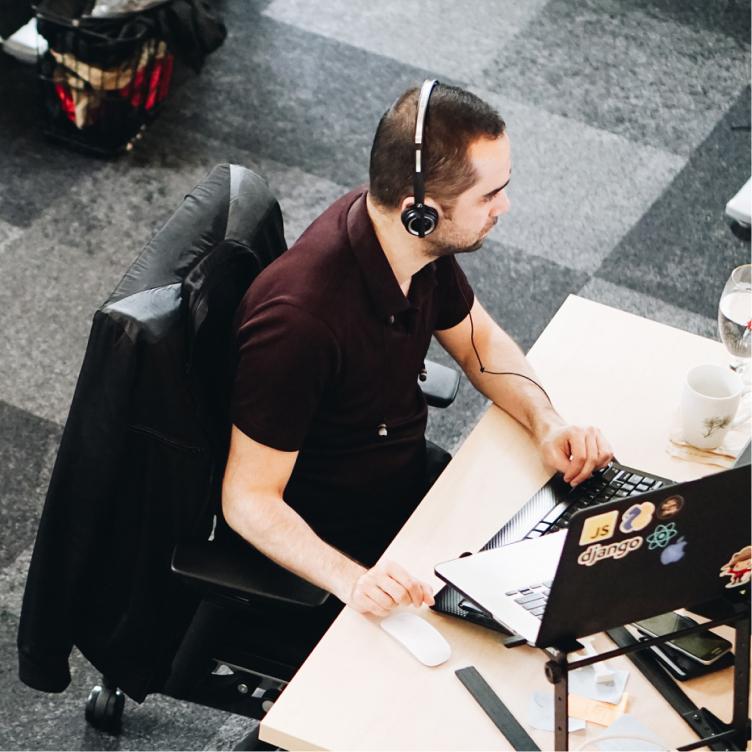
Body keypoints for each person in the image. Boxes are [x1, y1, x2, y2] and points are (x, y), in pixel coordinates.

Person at [221, 82, 613, 644]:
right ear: (421, 213)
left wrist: (545, 421)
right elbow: (247, 499)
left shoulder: (410, 245)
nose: (505, 207)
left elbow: (477, 339)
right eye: (489, 196)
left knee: (580, 563)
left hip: (408, 485)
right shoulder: (299, 324)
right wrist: (351, 580)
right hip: (347, 542)